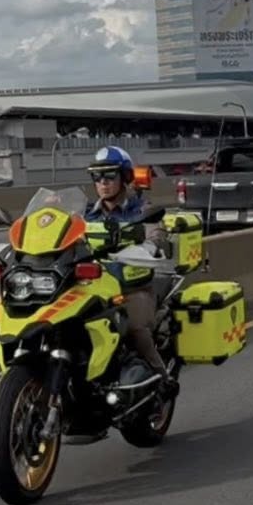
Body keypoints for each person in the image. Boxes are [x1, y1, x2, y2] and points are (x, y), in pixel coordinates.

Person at [84, 146, 171, 384]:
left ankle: (162, 378)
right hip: (96, 287)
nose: (103, 182)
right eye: (97, 176)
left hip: (133, 285)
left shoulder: (141, 208)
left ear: (124, 177)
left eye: (109, 175)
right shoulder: (87, 214)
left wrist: (148, 248)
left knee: (134, 328)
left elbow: (157, 233)